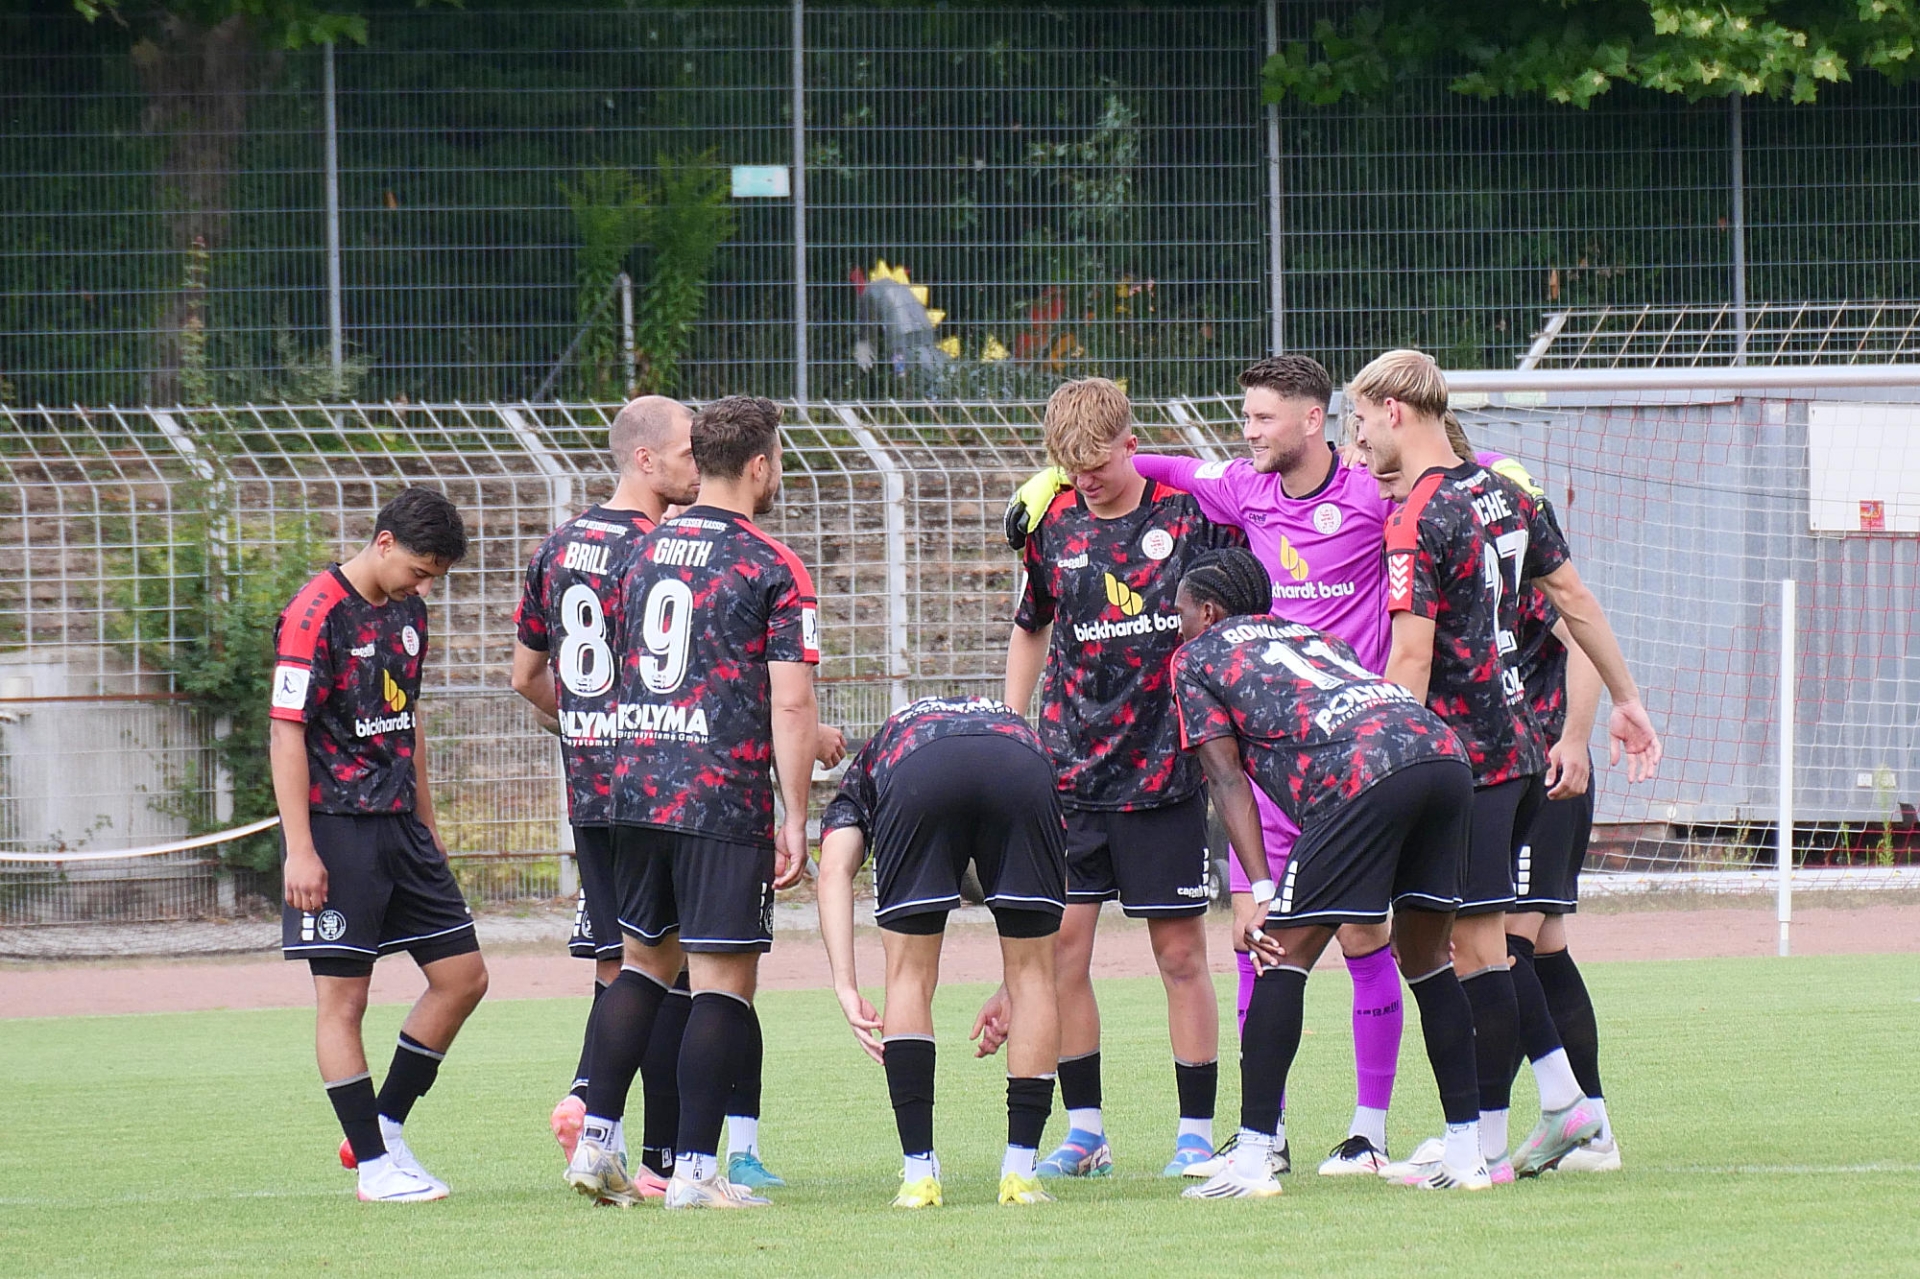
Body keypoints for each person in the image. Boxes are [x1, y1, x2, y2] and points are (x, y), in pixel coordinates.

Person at [1074, 354, 1411, 1177]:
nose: (1249, 431)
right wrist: (1057, 478)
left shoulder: (1370, 495)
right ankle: (1268, 1131)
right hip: (1266, 770)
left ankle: (1368, 1132)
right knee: (1257, 938)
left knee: (1366, 934)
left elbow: (1440, 477)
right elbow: (1156, 466)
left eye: (1263, 417)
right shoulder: (1242, 487)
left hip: (1350, 762)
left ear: (1312, 419)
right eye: (1247, 416)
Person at [1348, 349, 1660, 1179]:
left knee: (1479, 951)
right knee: (1481, 946)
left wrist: (1380, 765)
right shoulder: (1505, 492)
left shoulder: (1416, 514)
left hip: (1468, 763)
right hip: (1520, 750)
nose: (1360, 437)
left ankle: (1493, 1142)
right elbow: (1575, 600)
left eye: (1363, 420)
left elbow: (1411, 656)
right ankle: (1530, 1119)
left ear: (1395, 411)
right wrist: (1627, 697)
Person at [1167, 548, 1489, 1197]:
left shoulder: (1197, 657)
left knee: (1279, 956)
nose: (1176, 625)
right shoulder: (1314, 636)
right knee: (1428, 958)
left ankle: (1253, 1158)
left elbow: (1225, 776)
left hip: (1360, 771)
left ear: (1208, 612)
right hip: (1441, 753)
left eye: (1180, 612)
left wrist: (1261, 890)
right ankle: (1465, 1152)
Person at [567, 395, 821, 1211]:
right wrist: (794, 815)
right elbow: (791, 702)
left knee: (643, 965)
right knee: (721, 984)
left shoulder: (638, 551)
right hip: (719, 797)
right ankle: (695, 1172)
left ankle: (598, 1143)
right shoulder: (771, 563)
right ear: (759, 464)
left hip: (634, 786)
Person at [997, 377, 1240, 1179]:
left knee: (1180, 954)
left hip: (1166, 772)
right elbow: (1031, 625)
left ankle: (1195, 1135)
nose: (1086, 479)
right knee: (1063, 953)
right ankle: (1086, 1132)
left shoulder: (1190, 517)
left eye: (1097, 463)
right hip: (1069, 775)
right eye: (1071, 467)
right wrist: (1010, 726)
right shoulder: (1050, 522)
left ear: (1131, 444)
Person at [272, 486, 488, 1203]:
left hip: (401, 825)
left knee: (464, 977)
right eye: (419, 571)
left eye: (434, 577)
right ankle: (372, 1166)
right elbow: (286, 732)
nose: (424, 587)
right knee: (345, 1000)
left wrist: (427, 820)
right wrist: (300, 848)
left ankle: (385, 1125)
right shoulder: (314, 613)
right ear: (385, 543)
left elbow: (408, 717)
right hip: (337, 828)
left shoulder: (409, 611)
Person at [511, 396, 700, 1196]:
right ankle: (655, 1155)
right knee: (670, 967)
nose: (700, 465)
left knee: (616, 959)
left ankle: (600, 1122)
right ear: (645, 459)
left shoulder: (556, 548)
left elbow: (526, 676)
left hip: (588, 787)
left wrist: (588, 724)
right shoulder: (661, 550)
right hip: (658, 784)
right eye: (688, 451)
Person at [815, 695, 1069, 1208]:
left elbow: (834, 868)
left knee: (908, 976)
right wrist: (1013, 986)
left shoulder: (867, 769)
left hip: (918, 769)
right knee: (1034, 978)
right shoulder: (1008, 728)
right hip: (1021, 761)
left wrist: (845, 984)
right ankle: (1021, 1173)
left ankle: (918, 1175)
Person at [1468, 442, 1620, 1174]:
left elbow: (1585, 642)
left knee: (1503, 947)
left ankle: (1494, 1133)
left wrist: (1575, 739)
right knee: (1546, 949)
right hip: (1519, 772)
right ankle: (1595, 1134)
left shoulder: (1523, 570)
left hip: (1546, 772)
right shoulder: (1479, 569)